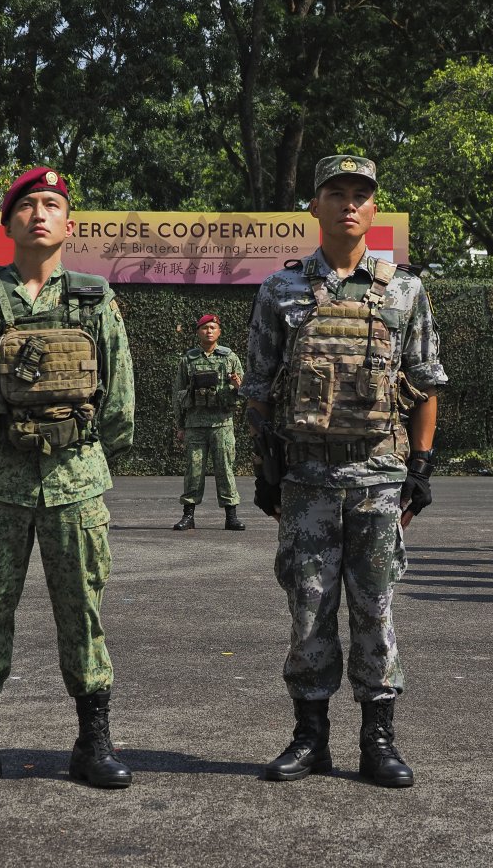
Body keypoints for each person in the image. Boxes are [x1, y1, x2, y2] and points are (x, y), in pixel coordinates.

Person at [242, 154, 446, 788]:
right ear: (316, 206)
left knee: (375, 609)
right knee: (307, 607)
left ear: (374, 209)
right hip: (306, 479)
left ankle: (378, 740)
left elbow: (426, 381)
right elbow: (258, 386)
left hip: (379, 478)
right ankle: (310, 738)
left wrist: (421, 463)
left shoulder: (405, 289)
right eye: (337, 192)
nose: (349, 203)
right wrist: (266, 465)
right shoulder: (281, 288)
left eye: (361, 194)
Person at [0, 166, 135, 791]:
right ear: (9, 223)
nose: (41, 214)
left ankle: (93, 740)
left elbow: (120, 399)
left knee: (82, 610)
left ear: (68, 224)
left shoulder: (94, 297)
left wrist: (82, 452)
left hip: (75, 484)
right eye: (28, 205)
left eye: (53, 204)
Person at [171, 313, 245, 532]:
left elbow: (244, 392)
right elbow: (178, 393)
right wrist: (180, 425)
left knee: (225, 470)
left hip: (222, 423)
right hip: (195, 424)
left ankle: (231, 516)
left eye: (213, 327)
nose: (209, 331)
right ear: (198, 333)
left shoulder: (230, 358)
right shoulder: (188, 360)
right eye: (204, 328)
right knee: (193, 470)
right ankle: (188, 515)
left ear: (219, 332)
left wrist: (238, 386)